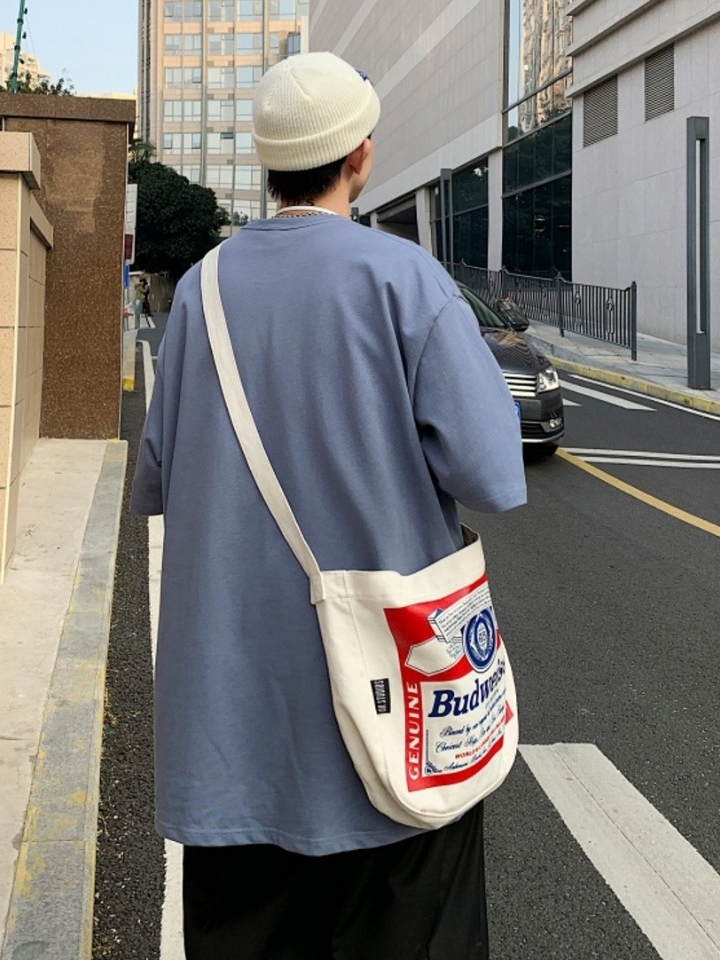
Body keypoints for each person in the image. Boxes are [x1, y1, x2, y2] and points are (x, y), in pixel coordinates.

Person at [131, 52, 527, 960]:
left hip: (231, 740)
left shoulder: (202, 292)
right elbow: (494, 476)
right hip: (393, 730)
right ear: (360, 155)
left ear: (269, 162)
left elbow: (156, 475)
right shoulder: (407, 281)